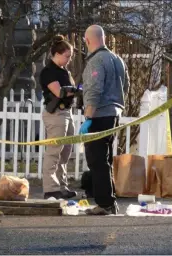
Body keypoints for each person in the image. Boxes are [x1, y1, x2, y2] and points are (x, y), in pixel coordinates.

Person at [79, 25, 130, 215]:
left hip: (99, 115)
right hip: (114, 114)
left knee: (97, 160)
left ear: (88, 40)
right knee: (106, 159)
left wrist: (88, 118)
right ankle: (110, 201)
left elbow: (94, 90)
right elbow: (126, 86)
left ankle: (105, 204)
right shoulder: (117, 59)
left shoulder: (96, 61)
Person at [39, 35, 82, 199]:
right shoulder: (48, 71)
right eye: (67, 56)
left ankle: (62, 186)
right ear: (57, 54)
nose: (69, 60)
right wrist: (76, 90)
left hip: (67, 112)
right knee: (54, 151)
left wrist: (76, 91)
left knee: (65, 152)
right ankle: (50, 188)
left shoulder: (64, 71)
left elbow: (70, 90)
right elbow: (59, 91)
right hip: (56, 114)